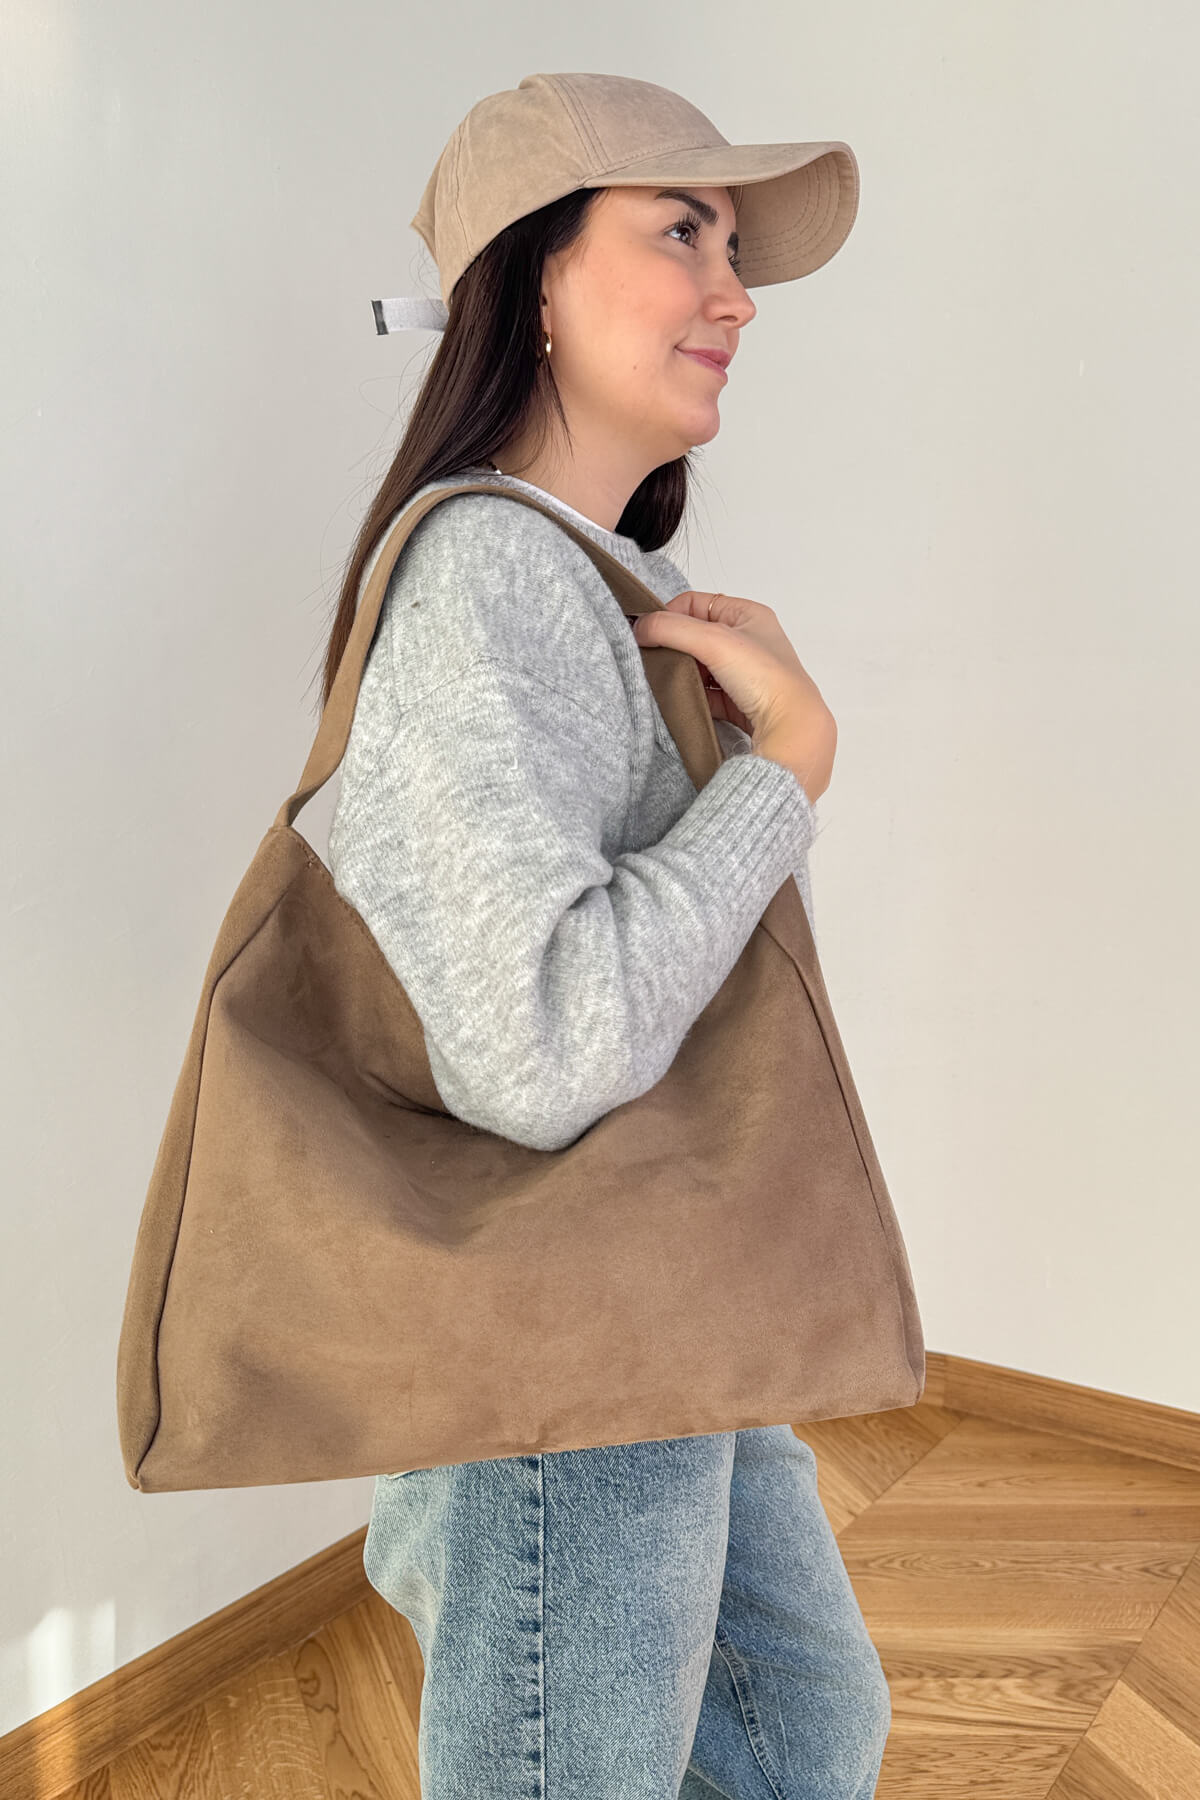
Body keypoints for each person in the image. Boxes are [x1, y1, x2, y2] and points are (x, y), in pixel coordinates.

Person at [324, 71, 890, 1800]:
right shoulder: (484, 577)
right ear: (535, 281)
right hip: (565, 1362)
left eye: (736, 252)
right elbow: (544, 1051)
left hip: (659, 1307)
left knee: (804, 1728)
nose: (735, 295)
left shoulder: (589, 581)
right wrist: (788, 771)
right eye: (681, 234)